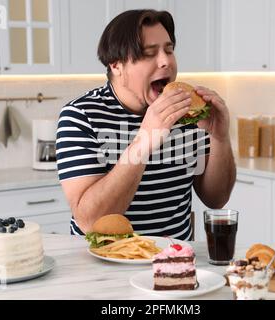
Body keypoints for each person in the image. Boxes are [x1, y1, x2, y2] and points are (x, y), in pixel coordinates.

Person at [56, 9, 236, 240]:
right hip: (104, 268)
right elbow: (91, 222)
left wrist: (219, 138)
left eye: (169, 50)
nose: (165, 62)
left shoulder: (186, 113)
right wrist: (144, 142)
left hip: (175, 262)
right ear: (116, 65)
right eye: (149, 53)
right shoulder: (80, 115)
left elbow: (216, 199)